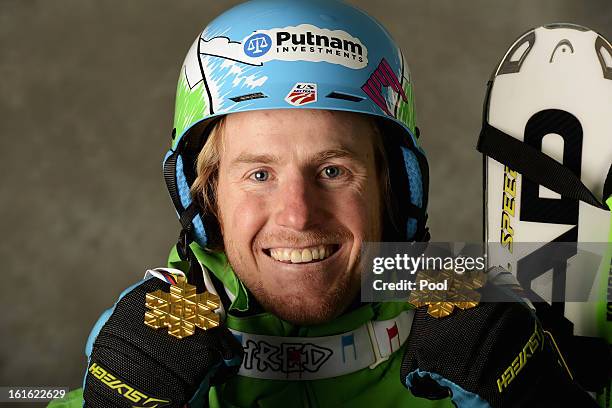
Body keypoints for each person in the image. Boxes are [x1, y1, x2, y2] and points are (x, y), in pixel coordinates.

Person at [50, 1, 598, 407]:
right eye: (259, 173)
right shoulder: (147, 359)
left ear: (394, 188)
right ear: (205, 195)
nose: (297, 215)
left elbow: (560, 290)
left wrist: (540, 394)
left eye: (333, 171)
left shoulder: (479, 326)